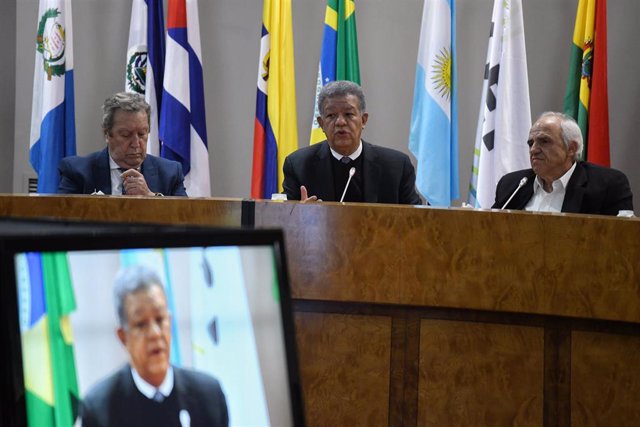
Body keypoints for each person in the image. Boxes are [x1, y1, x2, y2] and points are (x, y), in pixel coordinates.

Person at [80, 265, 228, 427]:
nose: (155, 334)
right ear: (123, 337)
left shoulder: (208, 396)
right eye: (141, 324)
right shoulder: (100, 409)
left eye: (159, 319)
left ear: (169, 322)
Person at [283, 80, 422, 204]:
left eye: (349, 114)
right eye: (331, 115)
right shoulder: (298, 166)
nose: (340, 122)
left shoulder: (397, 166)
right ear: (321, 123)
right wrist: (300, 215)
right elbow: (283, 221)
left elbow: (418, 221)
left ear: (363, 120)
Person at [492, 112, 633, 215]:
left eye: (544, 141)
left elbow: (619, 242)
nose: (533, 150)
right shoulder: (511, 185)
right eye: (531, 143)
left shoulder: (607, 185)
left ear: (571, 148)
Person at [58, 92, 188, 196]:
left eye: (142, 134)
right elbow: (62, 219)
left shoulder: (170, 173)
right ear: (107, 134)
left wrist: (151, 198)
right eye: (126, 135)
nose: (136, 144)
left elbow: (186, 220)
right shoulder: (77, 171)